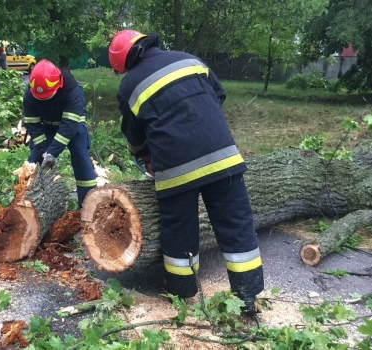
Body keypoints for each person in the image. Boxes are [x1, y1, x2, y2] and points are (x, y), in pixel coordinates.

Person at [109, 30, 264, 313]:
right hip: (223, 157)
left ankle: (181, 291)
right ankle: (248, 295)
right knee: (236, 223)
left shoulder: (130, 84)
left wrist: (143, 155)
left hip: (176, 167)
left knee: (180, 227)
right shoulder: (190, 60)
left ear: (121, 64)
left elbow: (134, 137)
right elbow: (218, 95)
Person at [23, 59, 96, 206]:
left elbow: (69, 125)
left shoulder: (72, 89)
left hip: (73, 126)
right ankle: (28, 200)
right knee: (34, 161)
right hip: (46, 126)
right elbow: (33, 123)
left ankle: (88, 204)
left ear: (58, 84)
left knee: (80, 156)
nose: (44, 100)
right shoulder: (31, 93)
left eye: (48, 96)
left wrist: (53, 152)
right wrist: (44, 151)